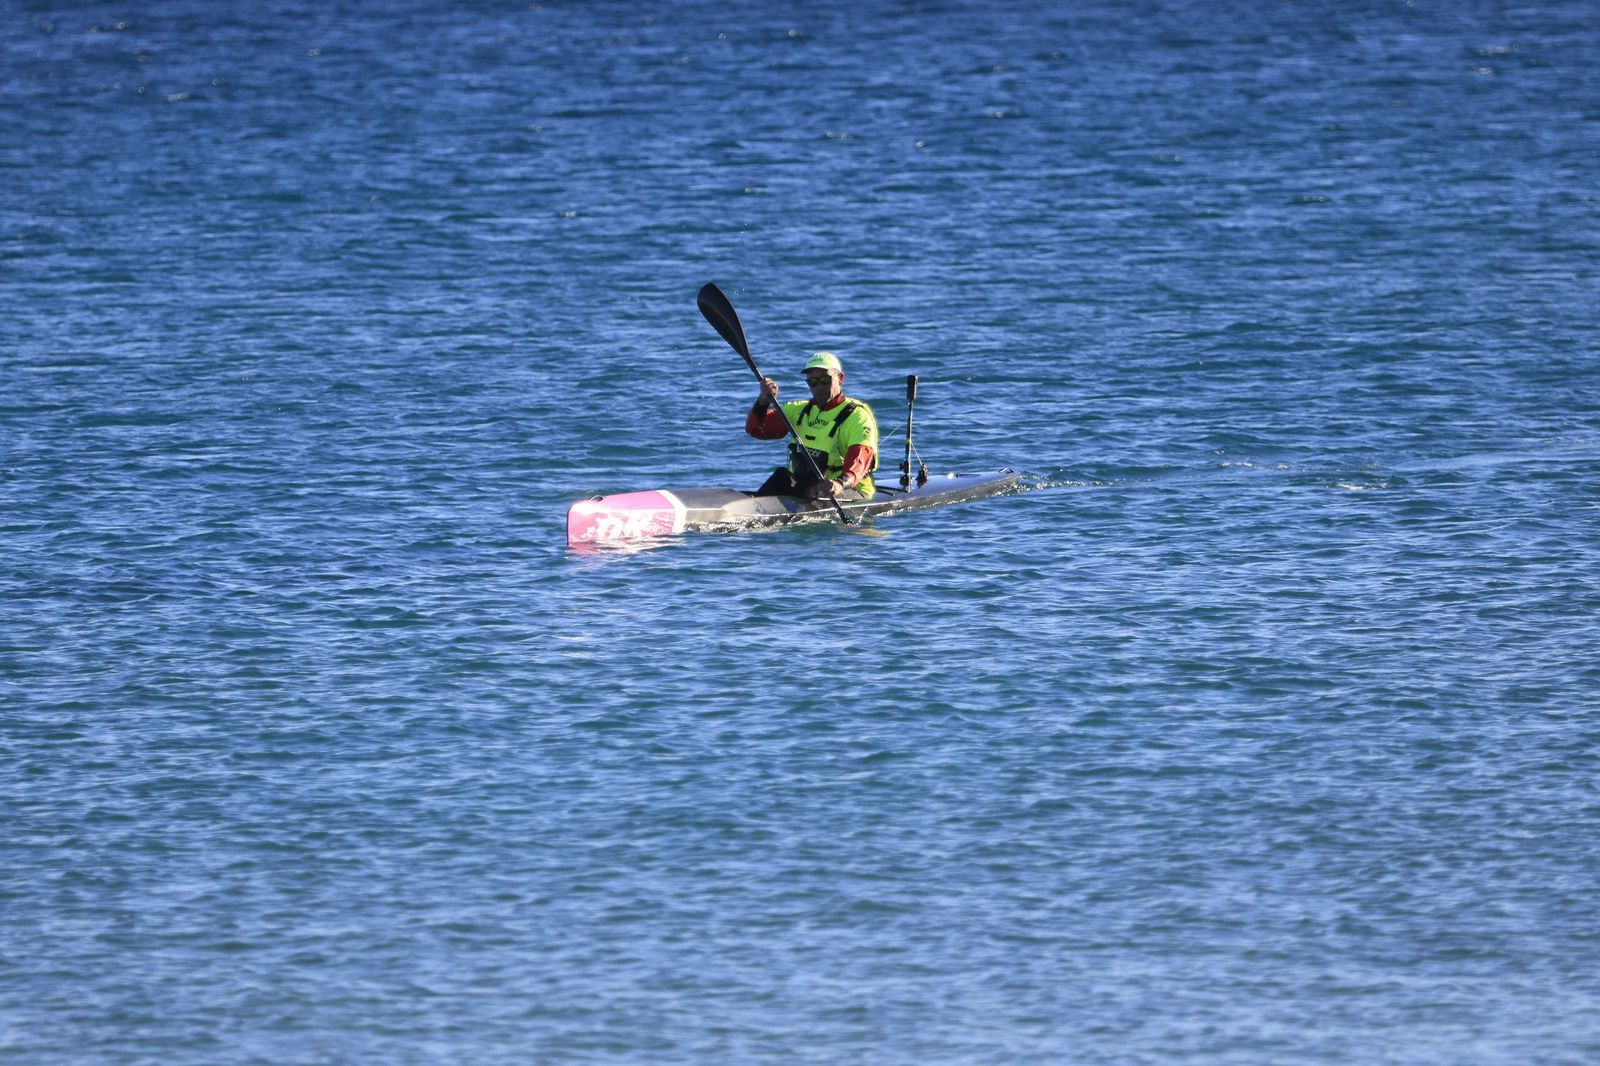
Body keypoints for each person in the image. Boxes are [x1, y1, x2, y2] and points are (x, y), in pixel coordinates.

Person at [746, 352, 879, 500]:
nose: (819, 386)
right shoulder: (798, 410)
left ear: (840, 379)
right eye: (813, 382)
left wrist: (839, 484)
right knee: (781, 476)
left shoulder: (857, 417)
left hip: (849, 489)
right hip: (805, 487)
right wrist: (762, 402)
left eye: (825, 379)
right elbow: (756, 429)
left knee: (811, 490)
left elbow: (860, 460)